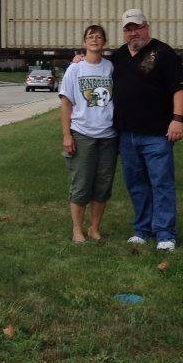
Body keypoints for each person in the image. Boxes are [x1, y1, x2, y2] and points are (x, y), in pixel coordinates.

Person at [111, 8, 183, 252]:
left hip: (157, 133)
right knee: (136, 184)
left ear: (146, 26)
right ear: (124, 32)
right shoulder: (118, 57)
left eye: (137, 27)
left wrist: (177, 119)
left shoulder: (163, 53)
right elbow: (96, 68)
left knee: (161, 183)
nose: (133, 33)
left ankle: (165, 234)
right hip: (126, 134)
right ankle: (142, 230)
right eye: (128, 29)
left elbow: (180, 87)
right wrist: (79, 60)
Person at [59, 24, 118, 243]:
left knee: (103, 184)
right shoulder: (75, 69)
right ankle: (77, 230)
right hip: (82, 133)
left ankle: (94, 228)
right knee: (81, 183)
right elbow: (66, 103)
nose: (94, 39)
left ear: (104, 42)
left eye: (99, 37)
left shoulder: (111, 68)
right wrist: (67, 135)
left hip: (108, 135)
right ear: (84, 42)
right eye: (90, 37)